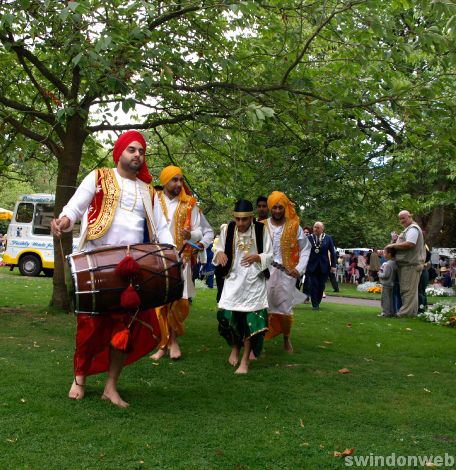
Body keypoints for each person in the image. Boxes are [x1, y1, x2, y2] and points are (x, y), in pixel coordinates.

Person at [51, 130, 173, 408]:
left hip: (134, 270)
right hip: (98, 264)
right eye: (131, 150)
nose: (137, 155)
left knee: (124, 327)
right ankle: (80, 378)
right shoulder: (99, 177)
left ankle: (110, 386)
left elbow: (161, 228)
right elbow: (75, 209)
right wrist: (63, 221)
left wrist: (170, 253)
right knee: (90, 326)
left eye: (141, 151)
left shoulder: (148, 192)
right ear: (119, 153)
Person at [213, 199, 272, 374]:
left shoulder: (261, 230)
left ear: (251, 218)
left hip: (254, 281)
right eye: (237, 219)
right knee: (228, 316)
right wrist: (220, 253)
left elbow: (270, 254)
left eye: (244, 219)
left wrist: (257, 257)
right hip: (233, 278)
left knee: (249, 320)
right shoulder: (228, 229)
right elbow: (217, 249)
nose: (240, 223)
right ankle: (235, 347)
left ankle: (245, 360)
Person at [151, 165, 202, 360]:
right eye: (174, 180)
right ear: (165, 181)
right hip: (157, 258)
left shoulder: (190, 203)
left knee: (178, 303)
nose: (179, 184)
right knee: (161, 303)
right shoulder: (154, 200)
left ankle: (173, 342)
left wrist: (191, 234)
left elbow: (199, 231)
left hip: (182, 259)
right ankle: (163, 345)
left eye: (181, 180)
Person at [263, 192, 310, 352]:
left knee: (285, 308)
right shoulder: (261, 225)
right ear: (270, 208)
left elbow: (305, 248)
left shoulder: (294, 226)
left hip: (286, 273)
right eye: (274, 207)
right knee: (263, 306)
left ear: (285, 208)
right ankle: (258, 340)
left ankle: (286, 338)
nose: (277, 211)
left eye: (280, 207)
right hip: (264, 272)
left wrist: (299, 268)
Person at [385, 210, 425, 317]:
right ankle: (411, 313)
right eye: (400, 218)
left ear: (410, 216)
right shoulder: (409, 229)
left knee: (407, 290)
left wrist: (392, 246)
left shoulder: (413, 229)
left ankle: (405, 313)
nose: (402, 220)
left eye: (404, 218)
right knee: (409, 290)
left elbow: (410, 244)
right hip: (408, 265)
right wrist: (396, 240)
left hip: (410, 265)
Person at [305, 222, 337, 310]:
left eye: (318, 227)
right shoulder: (309, 238)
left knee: (321, 285)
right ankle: (315, 304)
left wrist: (333, 265)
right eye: (314, 227)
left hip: (324, 266)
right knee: (313, 285)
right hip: (311, 266)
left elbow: (333, 253)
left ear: (322, 229)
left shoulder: (328, 238)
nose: (315, 229)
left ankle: (317, 301)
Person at [378, 246, 397, 317]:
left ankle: (385, 313)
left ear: (389, 254)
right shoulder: (394, 263)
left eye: (384, 253)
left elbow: (385, 275)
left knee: (385, 299)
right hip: (391, 284)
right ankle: (391, 312)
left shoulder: (388, 264)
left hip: (386, 284)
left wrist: (379, 274)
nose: (383, 255)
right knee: (390, 299)